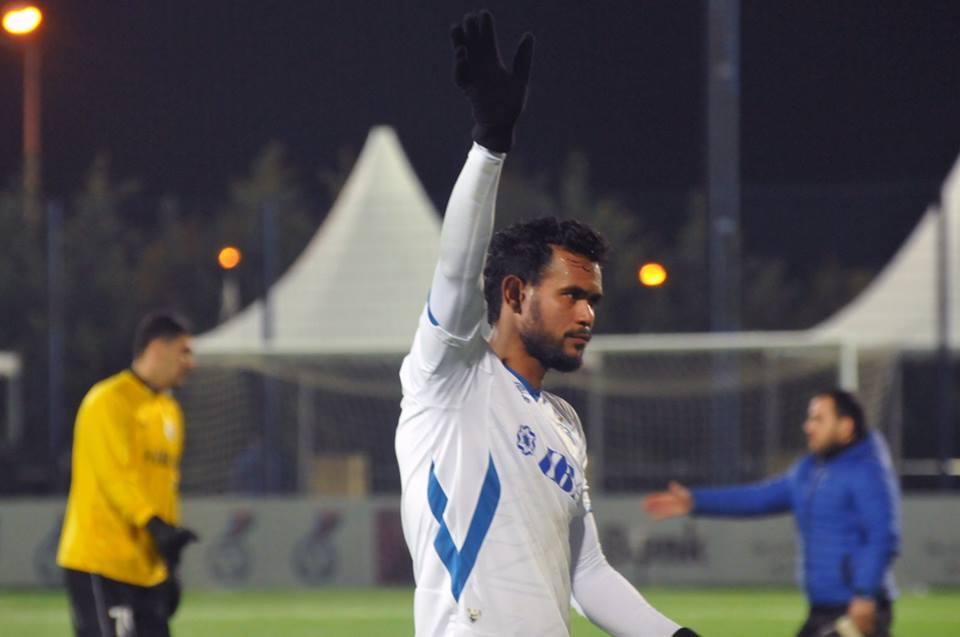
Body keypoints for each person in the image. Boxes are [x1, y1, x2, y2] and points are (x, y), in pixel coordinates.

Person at [396, 11, 698, 637]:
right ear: (514, 293)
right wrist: (489, 145)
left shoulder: (565, 425)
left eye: (593, 300)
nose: (588, 314)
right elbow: (455, 270)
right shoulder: (450, 374)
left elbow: (588, 574)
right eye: (571, 296)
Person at [643, 389, 900, 637]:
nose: (808, 426)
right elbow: (758, 498)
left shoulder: (867, 471)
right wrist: (697, 502)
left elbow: (881, 537)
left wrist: (864, 595)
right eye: (810, 418)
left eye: (818, 419)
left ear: (845, 427)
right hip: (824, 608)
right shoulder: (810, 470)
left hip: (856, 608)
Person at [57, 311, 200, 637]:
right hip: (101, 562)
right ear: (157, 349)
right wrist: (155, 525)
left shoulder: (170, 412)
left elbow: (165, 487)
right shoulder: (107, 401)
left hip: (146, 569)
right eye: (184, 352)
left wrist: (169, 564)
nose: (190, 363)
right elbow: (115, 479)